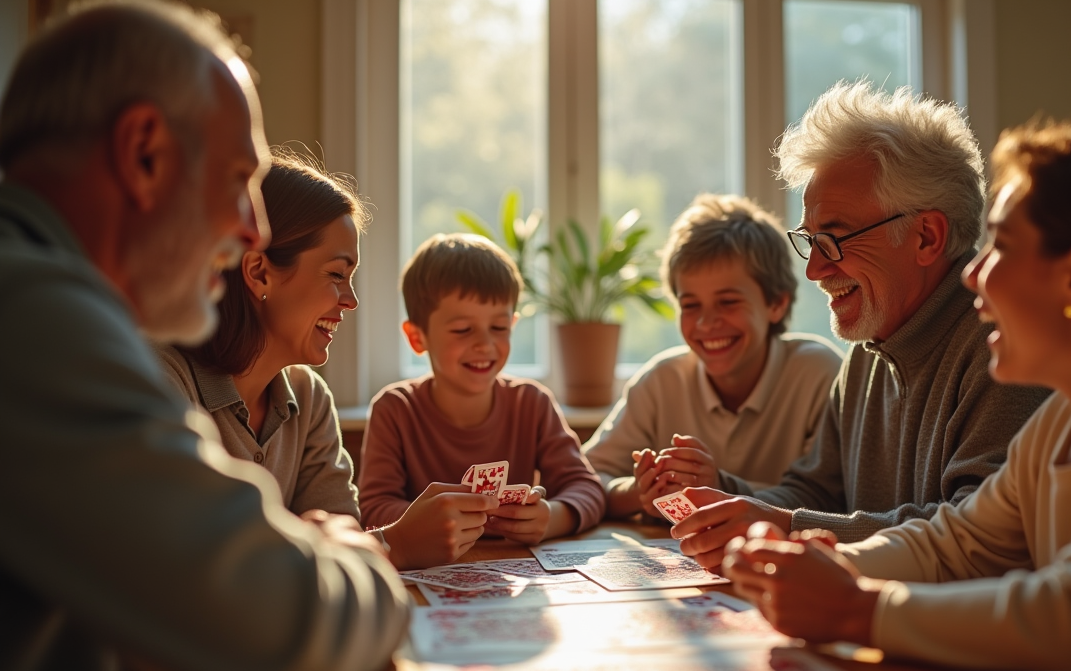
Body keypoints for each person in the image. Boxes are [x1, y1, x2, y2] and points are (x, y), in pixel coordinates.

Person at [0, 4, 408, 671]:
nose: (252, 229)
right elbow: (281, 634)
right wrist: (358, 560)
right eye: (237, 182)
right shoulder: (32, 312)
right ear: (144, 153)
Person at [724, 118, 1071, 671]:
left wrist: (856, 611)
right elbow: (953, 543)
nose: (973, 273)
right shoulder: (1062, 425)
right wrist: (824, 568)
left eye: (1002, 245)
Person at [671, 81, 1049, 569]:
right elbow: (818, 491)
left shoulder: (1005, 347)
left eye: (835, 239)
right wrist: (724, 498)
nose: (814, 270)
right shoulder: (869, 347)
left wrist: (784, 526)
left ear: (926, 236)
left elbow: (980, 540)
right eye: (811, 240)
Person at [582, 193, 841, 519]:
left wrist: (721, 487)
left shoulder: (818, 374)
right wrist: (640, 493)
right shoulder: (661, 382)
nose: (706, 323)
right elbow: (586, 480)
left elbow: (830, 500)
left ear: (776, 304)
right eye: (690, 306)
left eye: (728, 302)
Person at [359, 233, 606, 566]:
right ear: (417, 337)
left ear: (513, 324)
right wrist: (427, 524)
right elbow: (373, 508)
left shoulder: (532, 403)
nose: (485, 345)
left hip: (514, 572)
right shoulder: (394, 409)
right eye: (463, 329)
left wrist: (551, 517)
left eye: (500, 327)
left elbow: (586, 488)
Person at [158, 150, 366, 521]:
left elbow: (343, 533)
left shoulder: (309, 398)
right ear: (258, 273)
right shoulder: (167, 384)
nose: (351, 301)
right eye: (336, 275)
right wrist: (394, 543)